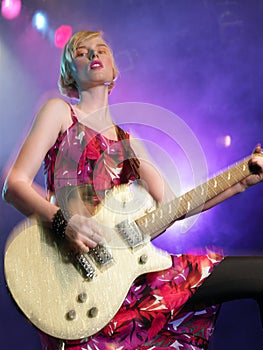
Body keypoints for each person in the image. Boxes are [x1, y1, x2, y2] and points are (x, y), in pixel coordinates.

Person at [2, 30, 263, 350]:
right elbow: (14, 185)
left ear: (114, 71)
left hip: (136, 279)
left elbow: (175, 207)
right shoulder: (59, 112)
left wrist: (241, 179)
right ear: (70, 72)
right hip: (79, 283)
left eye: (101, 50)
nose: (93, 55)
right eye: (81, 53)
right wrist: (64, 222)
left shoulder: (129, 143)